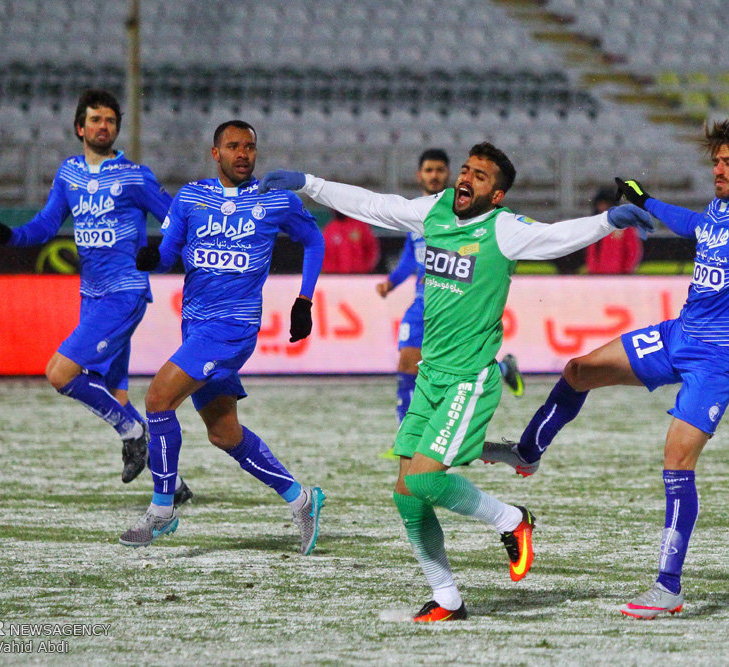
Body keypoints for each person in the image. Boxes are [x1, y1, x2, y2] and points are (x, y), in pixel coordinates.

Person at [261, 142, 654, 620]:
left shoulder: (504, 230)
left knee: (426, 478)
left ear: (498, 195)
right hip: (430, 376)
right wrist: (309, 184)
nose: (466, 179)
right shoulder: (435, 210)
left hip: (469, 379)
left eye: (480, 176)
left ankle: (512, 519)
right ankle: (447, 596)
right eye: (466, 170)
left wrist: (608, 221)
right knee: (406, 494)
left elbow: (557, 237)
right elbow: (374, 205)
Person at [482, 116, 729, 619]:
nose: (718, 169)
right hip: (678, 336)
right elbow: (691, 224)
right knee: (579, 369)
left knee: (676, 463)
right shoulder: (718, 208)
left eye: (728, 161)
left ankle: (668, 588)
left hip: (720, 357)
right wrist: (645, 202)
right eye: (715, 161)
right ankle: (528, 451)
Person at [118, 120, 326, 555]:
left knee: (157, 399)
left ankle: (162, 510)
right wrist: (152, 258)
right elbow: (169, 252)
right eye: (234, 146)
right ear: (216, 153)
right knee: (224, 433)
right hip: (195, 323)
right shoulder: (191, 197)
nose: (244, 154)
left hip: (232, 328)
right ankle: (302, 499)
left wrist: (304, 299)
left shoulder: (275, 198)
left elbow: (314, 240)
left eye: (250, 146)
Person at [0, 89, 175, 488]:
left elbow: (176, 219)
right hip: (91, 295)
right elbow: (45, 224)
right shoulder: (68, 173)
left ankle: (134, 433)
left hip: (125, 292)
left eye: (109, 120)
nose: (102, 126)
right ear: (79, 127)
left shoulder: (135, 176)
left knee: (60, 373)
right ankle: (172, 485)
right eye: (95, 119)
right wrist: (11, 236)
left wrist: (161, 255)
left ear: (116, 128)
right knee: (113, 392)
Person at [375, 148, 524, 427]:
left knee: (455, 373)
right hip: (422, 304)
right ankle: (406, 434)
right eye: (429, 170)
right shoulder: (417, 214)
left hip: (454, 303)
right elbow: (411, 257)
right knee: (407, 364)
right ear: (419, 175)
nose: (434, 175)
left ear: (450, 175)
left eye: (440, 170)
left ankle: (501, 368)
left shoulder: (460, 215)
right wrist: (392, 282)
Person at [585, 187, 643, 274]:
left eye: (605, 205)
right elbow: (592, 252)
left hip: (619, 274)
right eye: (600, 205)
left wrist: (627, 270)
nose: (602, 208)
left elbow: (632, 250)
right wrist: (593, 270)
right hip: (598, 275)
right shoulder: (595, 226)